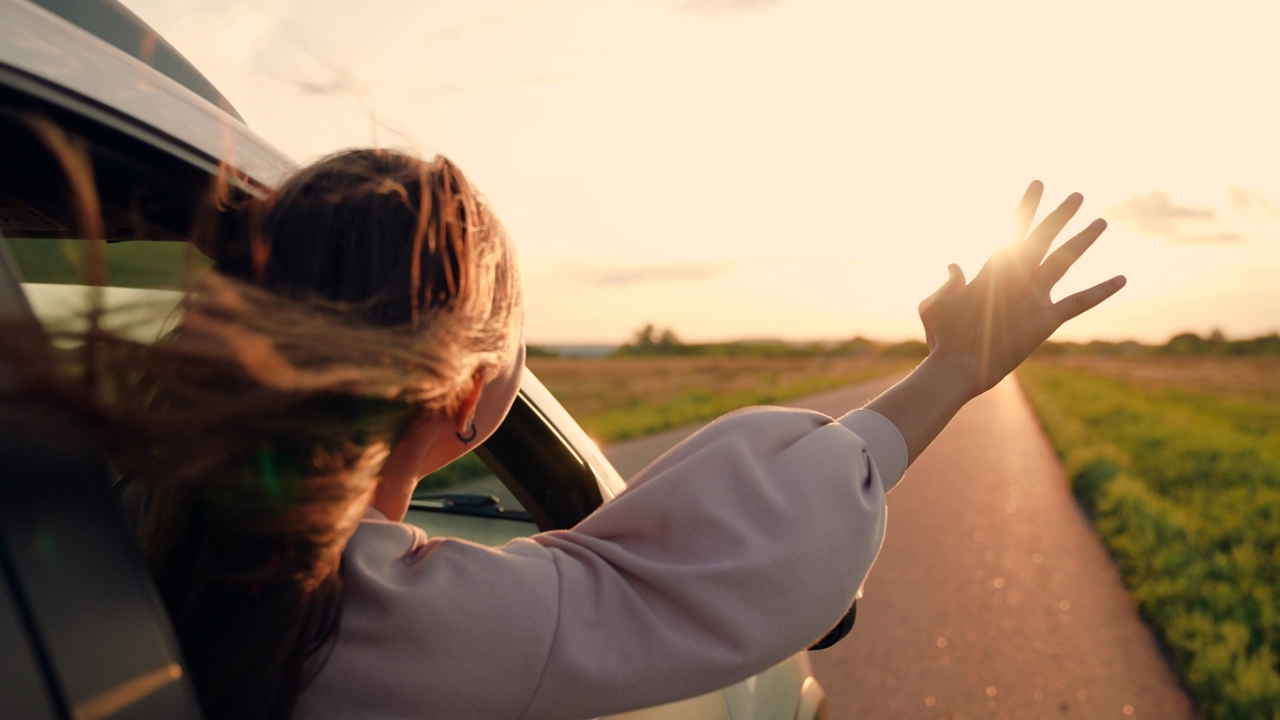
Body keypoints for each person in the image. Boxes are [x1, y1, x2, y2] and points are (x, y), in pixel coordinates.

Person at [7, 149, 1123, 720]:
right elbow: (735, 557)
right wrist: (953, 371)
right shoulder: (393, 624)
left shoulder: (110, 523)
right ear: (465, 394)